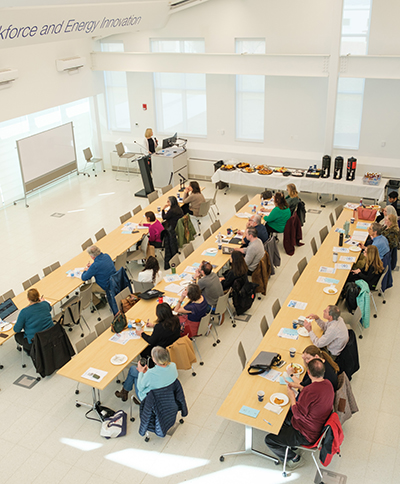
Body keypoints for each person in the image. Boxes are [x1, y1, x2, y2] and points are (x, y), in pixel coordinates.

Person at [265, 359, 334, 468]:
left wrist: (292, 396)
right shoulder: (328, 384)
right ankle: (291, 445)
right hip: (317, 425)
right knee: (282, 418)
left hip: (306, 434)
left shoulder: (309, 391)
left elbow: (296, 414)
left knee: (269, 440)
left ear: (308, 372)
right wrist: (301, 387)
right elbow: (314, 394)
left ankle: (294, 459)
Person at [14, 288, 54, 354]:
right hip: (50, 334)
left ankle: (29, 351)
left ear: (28, 299)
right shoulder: (45, 304)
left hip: (35, 341)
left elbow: (16, 330)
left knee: (17, 336)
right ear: (39, 296)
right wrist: (43, 301)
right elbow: (49, 308)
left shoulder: (24, 312)